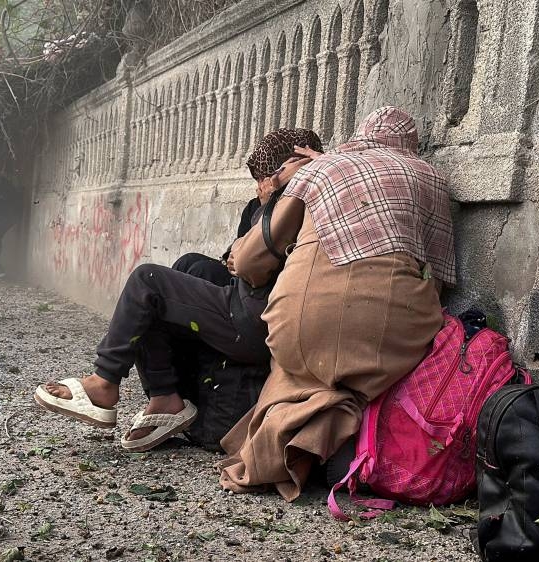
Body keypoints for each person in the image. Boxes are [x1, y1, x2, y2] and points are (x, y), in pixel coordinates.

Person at [218, 107, 457, 501]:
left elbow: (249, 261)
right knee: (357, 381)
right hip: (394, 336)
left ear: (361, 134)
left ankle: (288, 451)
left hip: (300, 324)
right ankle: (340, 451)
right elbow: (441, 277)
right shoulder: (433, 179)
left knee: (300, 370)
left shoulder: (325, 167)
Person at [33, 128, 323, 452]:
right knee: (188, 266)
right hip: (255, 307)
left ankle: (104, 382)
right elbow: (235, 257)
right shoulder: (285, 200)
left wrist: (275, 201)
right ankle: (165, 398)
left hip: (262, 322)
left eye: (269, 176)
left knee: (148, 282)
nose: (261, 187)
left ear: (290, 168)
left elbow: (249, 262)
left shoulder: (297, 202)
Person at [172, 129, 323, 286]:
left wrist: (270, 206)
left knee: (201, 271)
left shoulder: (303, 203)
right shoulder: (254, 206)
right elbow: (236, 253)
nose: (260, 186)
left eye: (265, 176)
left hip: (265, 285)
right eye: (258, 178)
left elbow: (254, 260)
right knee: (187, 261)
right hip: (241, 275)